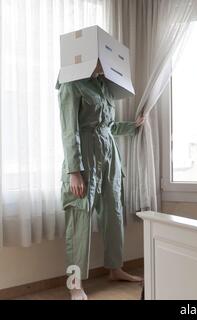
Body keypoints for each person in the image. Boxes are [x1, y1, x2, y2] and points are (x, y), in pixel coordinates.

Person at [58, 61, 144, 300]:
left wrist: (133, 127)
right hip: (84, 157)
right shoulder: (70, 81)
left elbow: (108, 126)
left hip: (109, 156)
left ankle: (115, 269)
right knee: (79, 219)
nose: (104, 63)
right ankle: (74, 284)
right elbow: (69, 129)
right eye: (100, 58)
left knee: (114, 213)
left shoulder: (103, 86)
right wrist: (74, 170)